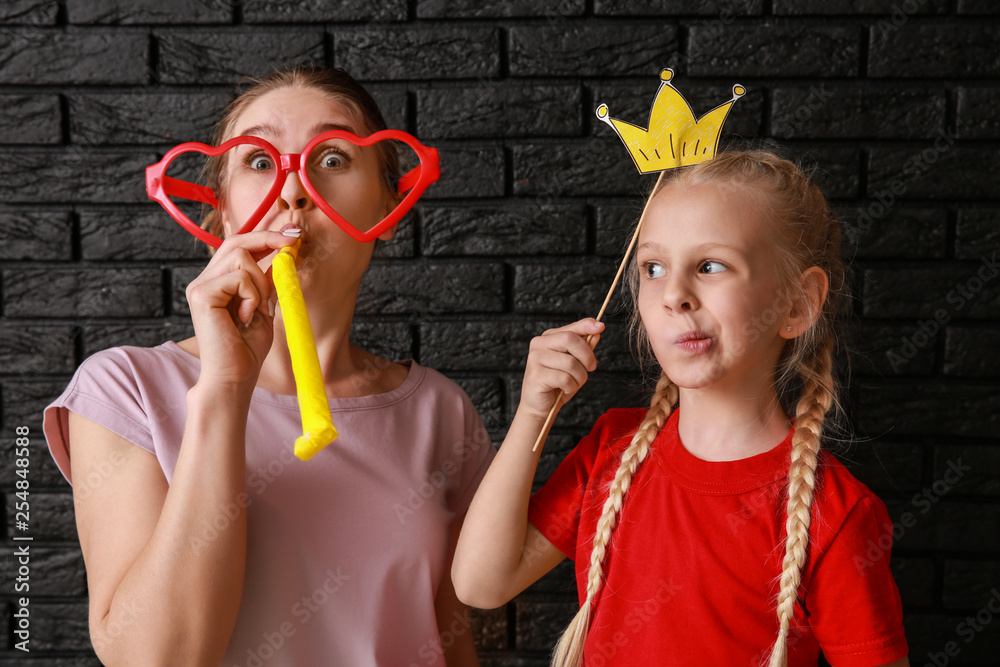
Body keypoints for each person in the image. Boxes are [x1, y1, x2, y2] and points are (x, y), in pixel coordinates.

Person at [42, 65, 493, 667]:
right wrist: (226, 390)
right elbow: (156, 658)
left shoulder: (442, 413)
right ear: (220, 215)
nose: (294, 190)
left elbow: (447, 639)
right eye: (258, 162)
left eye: (332, 158)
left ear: (391, 201)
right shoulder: (124, 390)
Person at [452, 150, 910, 667]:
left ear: (797, 304)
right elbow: (480, 584)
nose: (674, 294)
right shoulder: (611, 451)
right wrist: (532, 415)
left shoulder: (838, 515)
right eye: (653, 267)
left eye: (710, 265)